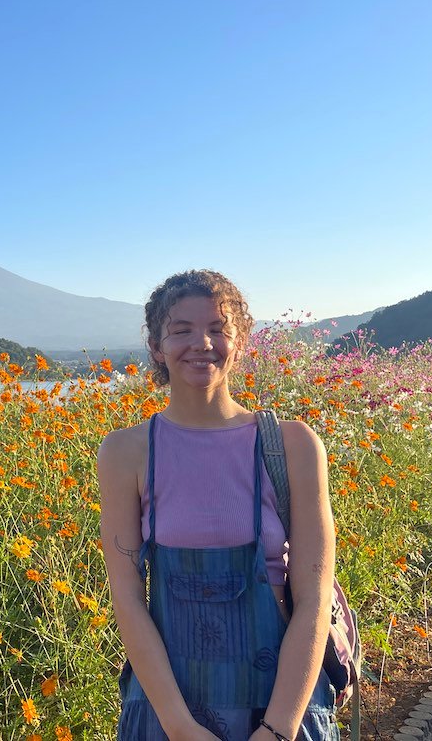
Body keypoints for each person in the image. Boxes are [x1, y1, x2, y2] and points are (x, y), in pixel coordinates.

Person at [98, 270, 338, 740]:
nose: (201, 343)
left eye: (218, 329)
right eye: (181, 329)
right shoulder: (125, 452)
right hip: (168, 708)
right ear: (156, 345)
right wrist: (180, 726)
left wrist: (280, 729)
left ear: (240, 341)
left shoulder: (292, 444)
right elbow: (127, 598)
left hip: (282, 701)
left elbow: (314, 599)